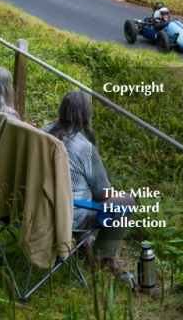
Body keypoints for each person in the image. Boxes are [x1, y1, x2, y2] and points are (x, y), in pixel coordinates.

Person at [45, 91, 135, 274]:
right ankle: (101, 258)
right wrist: (112, 191)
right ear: (86, 116)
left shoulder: (44, 132)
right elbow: (102, 193)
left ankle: (84, 244)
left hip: (38, 208)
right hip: (69, 215)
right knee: (126, 202)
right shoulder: (85, 148)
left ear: (61, 110)